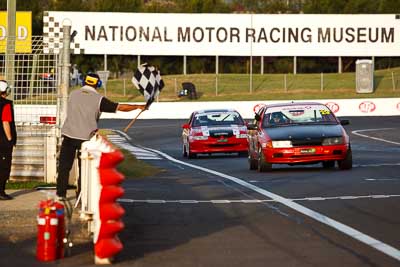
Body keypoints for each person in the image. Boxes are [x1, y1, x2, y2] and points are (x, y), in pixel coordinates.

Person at [56, 73, 146, 199]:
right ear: (98, 84)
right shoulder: (99, 99)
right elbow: (120, 107)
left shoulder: (73, 94)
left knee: (64, 167)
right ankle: (82, 196)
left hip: (69, 135)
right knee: (85, 168)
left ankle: (61, 194)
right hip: (86, 138)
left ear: (84, 82)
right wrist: (137, 106)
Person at [0, 80, 17, 200]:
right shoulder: (5, 104)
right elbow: (5, 122)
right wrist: (10, 139)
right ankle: (1, 192)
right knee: (4, 166)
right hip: (2, 141)